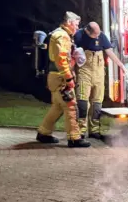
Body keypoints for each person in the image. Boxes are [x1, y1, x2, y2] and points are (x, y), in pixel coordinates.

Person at [37, 11, 90, 148]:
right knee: (71, 106)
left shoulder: (58, 34)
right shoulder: (63, 36)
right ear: (69, 23)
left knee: (58, 107)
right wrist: (68, 78)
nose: (77, 27)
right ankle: (74, 138)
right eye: (76, 24)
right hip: (61, 78)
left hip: (54, 77)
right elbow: (61, 60)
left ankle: (44, 132)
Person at [73, 21, 126, 140]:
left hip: (99, 73)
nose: (98, 36)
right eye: (95, 35)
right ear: (87, 31)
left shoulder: (101, 35)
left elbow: (109, 52)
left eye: (98, 34)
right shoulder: (79, 36)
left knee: (97, 102)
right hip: (84, 72)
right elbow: (71, 53)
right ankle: (81, 130)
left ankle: (94, 130)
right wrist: (71, 70)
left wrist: (120, 65)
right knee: (82, 101)